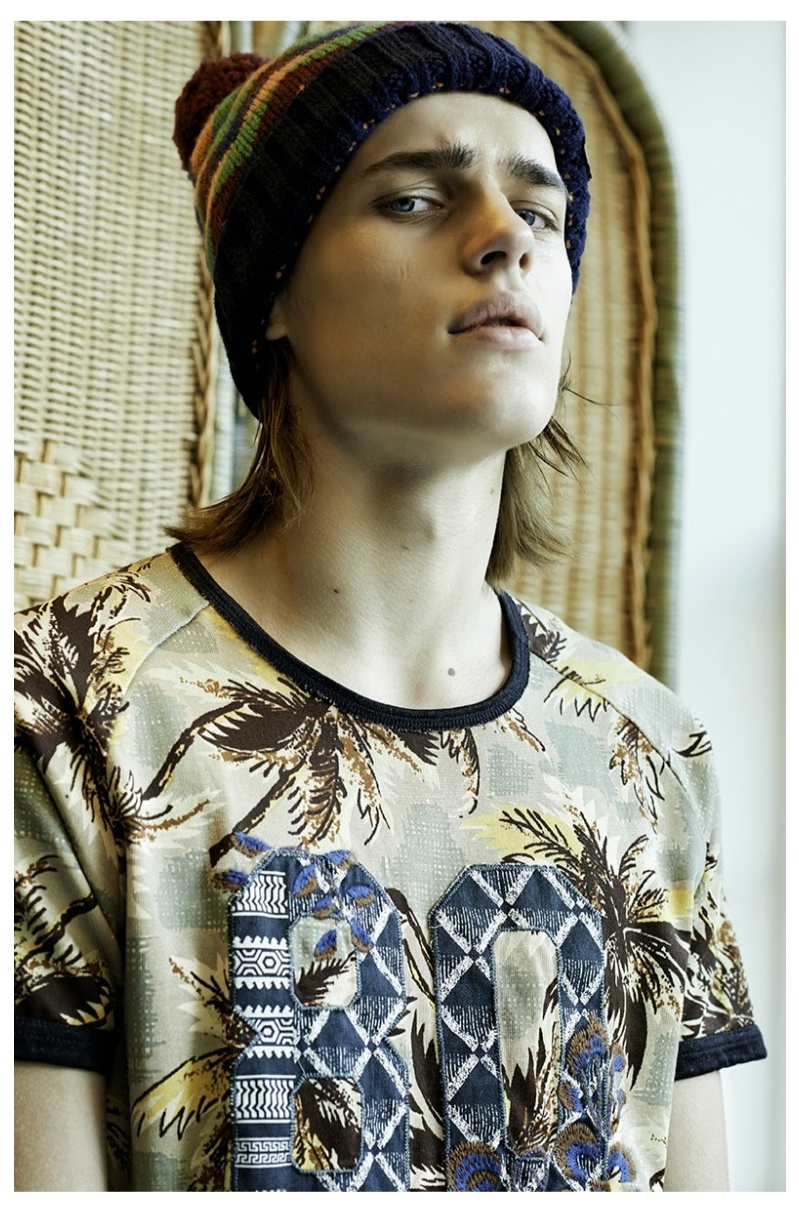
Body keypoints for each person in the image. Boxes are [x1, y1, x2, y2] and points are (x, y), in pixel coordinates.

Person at [14, 21, 766, 1193]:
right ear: (274, 292)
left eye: (543, 211)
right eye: (414, 198)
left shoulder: (651, 753)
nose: (507, 238)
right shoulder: (66, 710)